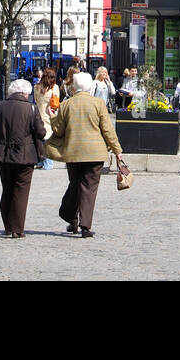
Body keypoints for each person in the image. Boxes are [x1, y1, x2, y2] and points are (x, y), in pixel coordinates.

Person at [49, 72, 126, 238]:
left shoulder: (66, 104)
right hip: (95, 153)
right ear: (90, 86)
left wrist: (52, 117)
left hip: (73, 152)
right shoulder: (98, 104)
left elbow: (58, 130)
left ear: (74, 87)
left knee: (75, 185)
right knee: (88, 188)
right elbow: (107, 130)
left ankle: (72, 219)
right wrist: (117, 150)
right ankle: (85, 226)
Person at [0, 78, 46, 238]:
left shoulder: (0, 106)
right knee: (21, 191)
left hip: (4, 154)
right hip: (25, 156)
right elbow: (40, 132)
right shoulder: (31, 109)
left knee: (7, 189)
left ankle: (8, 226)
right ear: (24, 93)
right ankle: (17, 229)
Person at [34, 67, 61, 170]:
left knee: (39, 139)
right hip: (49, 116)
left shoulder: (36, 87)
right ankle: (48, 163)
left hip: (38, 115)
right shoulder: (55, 88)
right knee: (48, 140)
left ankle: (40, 162)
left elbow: (36, 101)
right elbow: (55, 103)